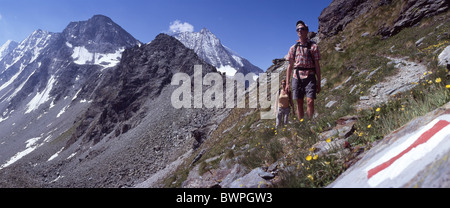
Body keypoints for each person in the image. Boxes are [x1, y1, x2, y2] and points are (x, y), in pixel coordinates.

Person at [285, 20, 321, 121]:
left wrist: (319, 82)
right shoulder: (293, 48)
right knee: (299, 102)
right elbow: (290, 66)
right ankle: (302, 124)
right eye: (298, 29)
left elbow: (317, 65)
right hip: (297, 77)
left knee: (310, 101)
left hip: (310, 76)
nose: (300, 31)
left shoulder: (313, 46)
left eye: (302, 29)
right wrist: (287, 83)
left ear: (306, 31)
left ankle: (309, 122)